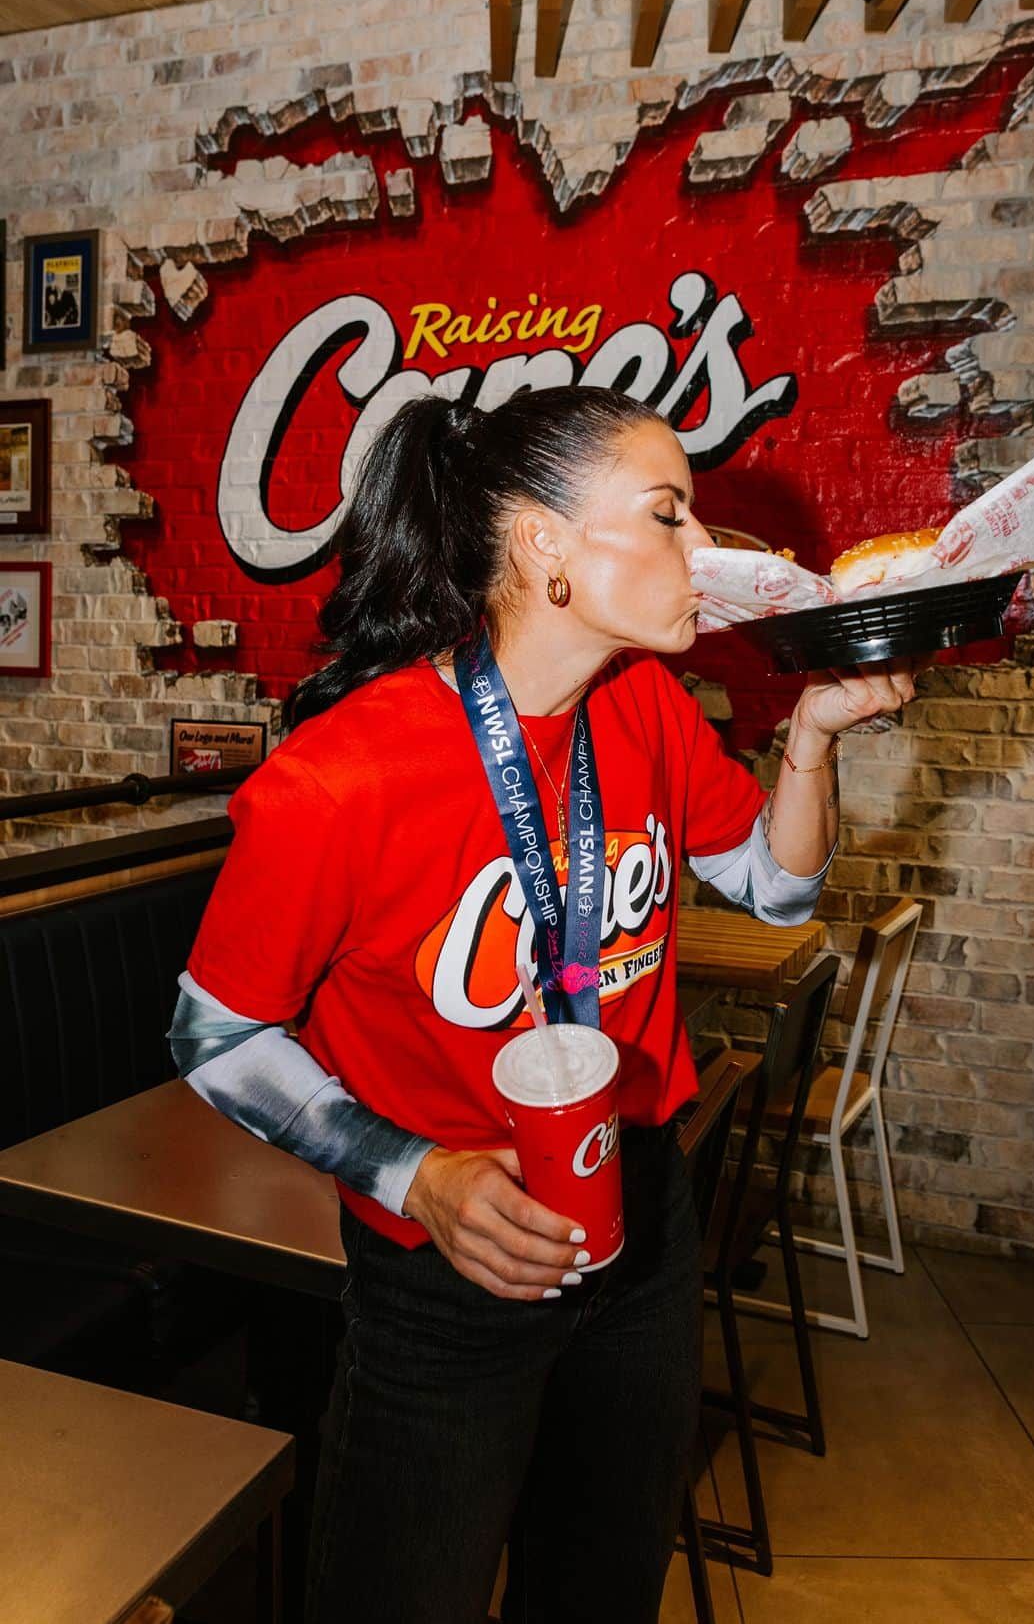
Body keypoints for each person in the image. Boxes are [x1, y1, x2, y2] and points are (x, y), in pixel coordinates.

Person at [169, 388, 920, 1624]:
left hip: (642, 1221)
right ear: (545, 546)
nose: (708, 555)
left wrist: (815, 739)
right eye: (671, 516)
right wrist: (419, 1176)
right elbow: (215, 1031)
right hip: (454, 1266)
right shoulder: (339, 776)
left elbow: (777, 891)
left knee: (603, 1584)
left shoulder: (644, 706)